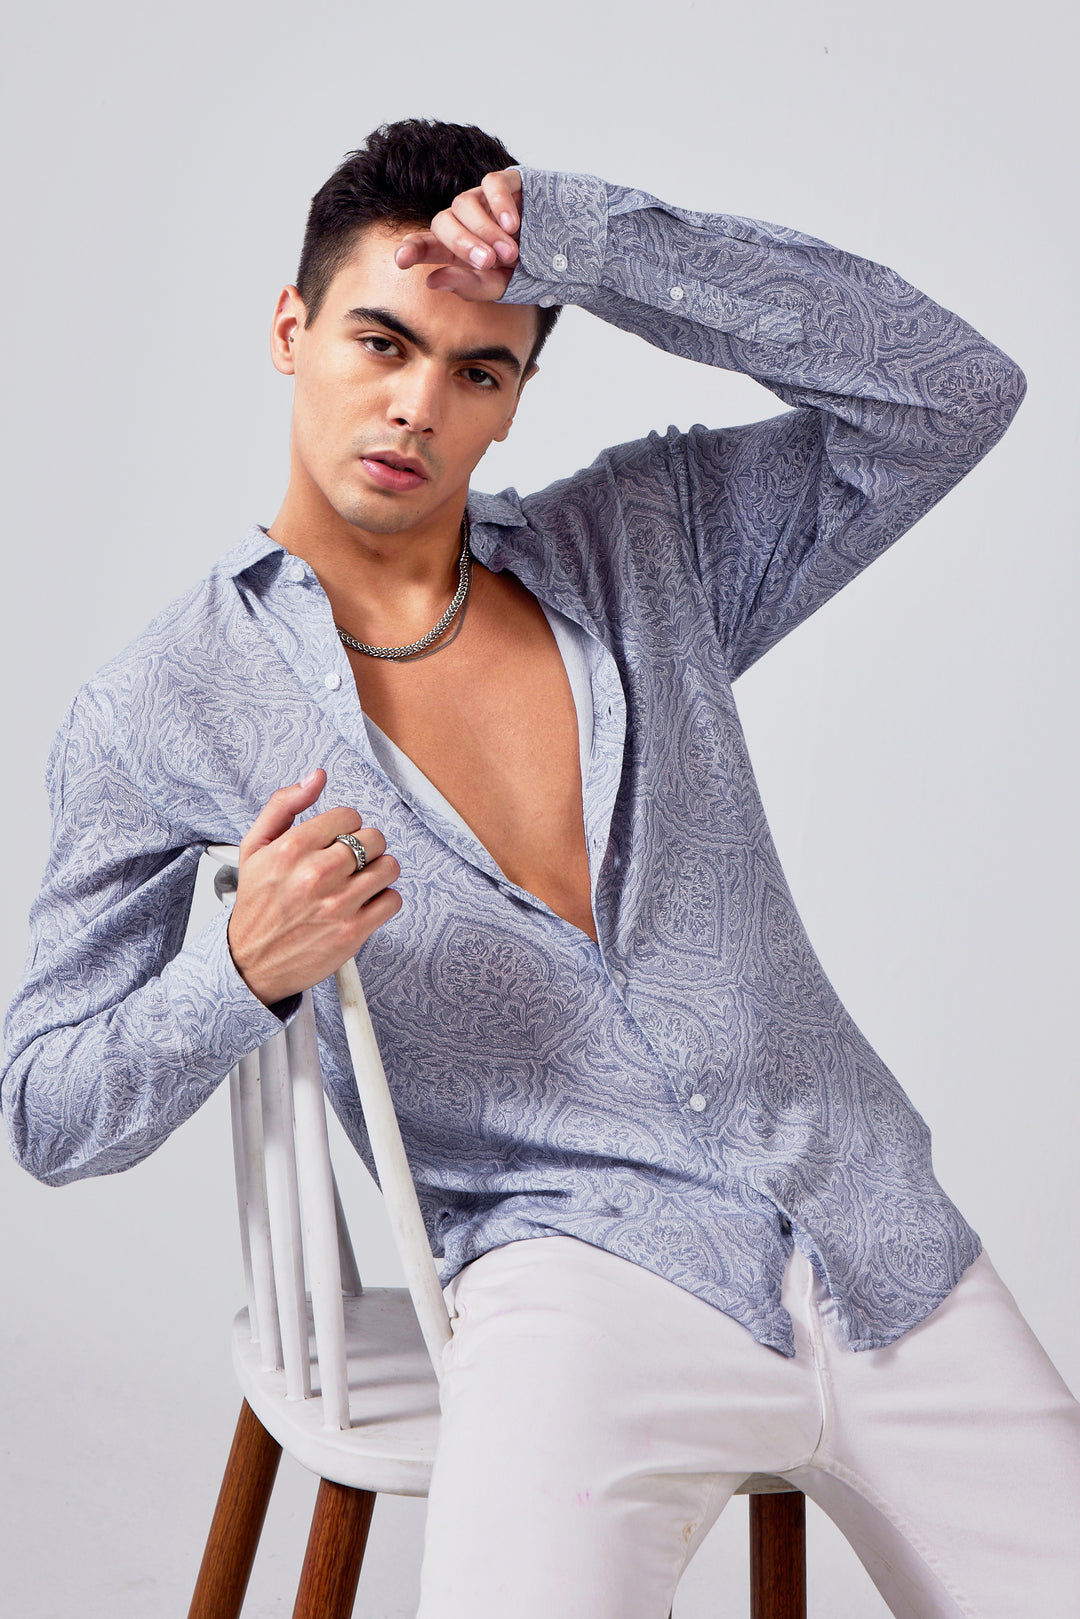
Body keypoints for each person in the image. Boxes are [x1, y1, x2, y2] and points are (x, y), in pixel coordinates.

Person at [3, 117, 1078, 1618]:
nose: (416, 405)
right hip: (577, 1277)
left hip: (869, 1228)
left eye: (478, 371)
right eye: (381, 341)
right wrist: (238, 972)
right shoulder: (164, 705)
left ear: (514, 401)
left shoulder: (649, 546)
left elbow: (954, 391)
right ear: (291, 329)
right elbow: (47, 1111)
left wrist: (592, 242)